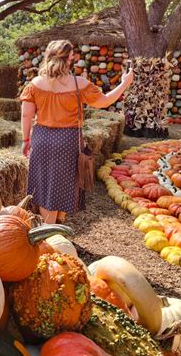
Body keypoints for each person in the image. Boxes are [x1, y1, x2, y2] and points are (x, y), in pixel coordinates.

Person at [20, 39, 134, 224]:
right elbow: (104, 101)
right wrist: (124, 84)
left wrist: (26, 140)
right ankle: (57, 227)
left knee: (45, 184)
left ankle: (48, 228)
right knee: (64, 182)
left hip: (42, 139)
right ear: (69, 59)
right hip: (68, 140)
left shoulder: (35, 84)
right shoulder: (79, 83)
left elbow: (26, 116)